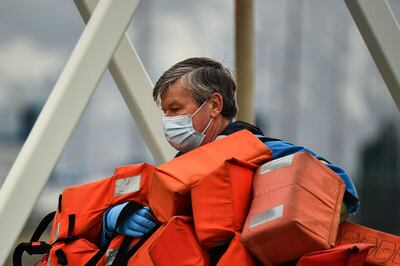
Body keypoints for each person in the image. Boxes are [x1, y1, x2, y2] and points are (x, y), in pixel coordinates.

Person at [102, 57, 359, 245]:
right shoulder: (173, 174)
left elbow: (342, 190)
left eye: (175, 109)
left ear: (214, 104)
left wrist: (269, 216)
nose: (167, 120)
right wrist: (114, 220)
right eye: (164, 112)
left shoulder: (265, 151)